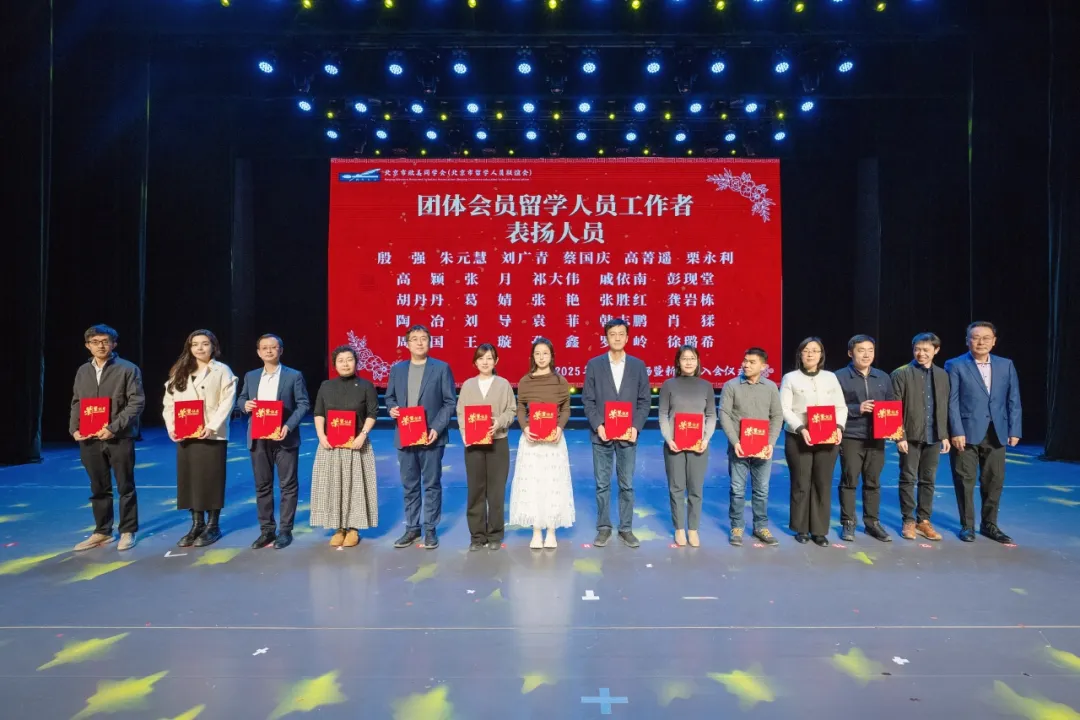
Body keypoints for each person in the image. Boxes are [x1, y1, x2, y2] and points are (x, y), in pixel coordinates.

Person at [70, 324, 145, 552]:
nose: (100, 346)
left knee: (125, 485)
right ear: (87, 346)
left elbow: (136, 403)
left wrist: (113, 428)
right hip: (90, 438)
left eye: (105, 341)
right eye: (95, 342)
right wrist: (74, 429)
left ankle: (128, 530)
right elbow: (77, 402)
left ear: (114, 344)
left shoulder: (128, 369)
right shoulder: (83, 371)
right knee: (98, 486)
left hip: (119, 436)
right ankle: (102, 531)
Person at [945, 321, 1022, 544]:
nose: (981, 342)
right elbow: (952, 401)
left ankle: (989, 525)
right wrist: (956, 431)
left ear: (994, 341)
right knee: (964, 481)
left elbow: (1013, 399)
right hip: (966, 433)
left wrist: (1014, 429)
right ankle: (967, 526)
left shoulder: (1006, 365)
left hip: (997, 432)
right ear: (967, 340)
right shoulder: (955, 365)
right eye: (975, 337)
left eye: (986, 338)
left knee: (994, 481)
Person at [163, 329, 237, 547]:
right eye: (195, 344)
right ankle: (196, 524)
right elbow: (169, 403)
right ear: (189, 347)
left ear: (213, 346)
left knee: (211, 479)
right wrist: (172, 427)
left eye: (205, 343)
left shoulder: (222, 370)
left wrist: (212, 426)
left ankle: (213, 526)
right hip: (186, 434)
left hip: (211, 435)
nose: (200, 348)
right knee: (190, 479)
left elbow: (227, 401)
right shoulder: (180, 371)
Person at [236, 334, 311, 550]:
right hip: (259, 438)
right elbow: (241, 398)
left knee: (288, 485)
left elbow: (303, 404)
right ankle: (266, 530)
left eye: (273, 347)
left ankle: (285, 531)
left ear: (281, 350)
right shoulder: (251, 376)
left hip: (284, 436)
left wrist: (288, 426)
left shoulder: (294, 376)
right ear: (258, 352)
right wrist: (244, 405)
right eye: (264, 348)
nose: (269, 351)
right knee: (262, 485)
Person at [385, 324, 456, 550]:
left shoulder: (441, 368)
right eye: (414, 338)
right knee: (410, 484)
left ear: (429, 342)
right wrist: (392, 409)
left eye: (423, 338)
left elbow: (449, 402)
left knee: (431, 484)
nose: (419, 342)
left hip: (430, 436)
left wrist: (436, 427)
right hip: (405, 435)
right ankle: (412, 528)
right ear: (407, 344)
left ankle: (430, 529)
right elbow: (389, 397)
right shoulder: (397, 369)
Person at [581, 318, 651, 549]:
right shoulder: (594, 365)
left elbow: (644, 401)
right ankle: (603, 528)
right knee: (602, 484)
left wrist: (635, 427)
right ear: (606, 338)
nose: (617, 338)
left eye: (621, 334)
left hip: (628, 435)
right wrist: (598, 425)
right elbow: (588, 400)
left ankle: (626, 529)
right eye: (613, 334)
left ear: (627, 338)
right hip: (601, 435)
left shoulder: (638, 366)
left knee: (626, 484)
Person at [780, 337, 847, 547]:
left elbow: (841, 407)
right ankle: (801, 528)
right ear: (800, 354)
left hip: (827, 437)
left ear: (821, 355)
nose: (810, 354)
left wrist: (839, 427)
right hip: (798, 437)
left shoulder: (830, 377)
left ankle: (819, 530)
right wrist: (800, 428)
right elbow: (784, 408)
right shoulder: (790, 378)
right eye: (806, 350)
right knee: (801, 482)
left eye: (815, 350)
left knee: (822, 483)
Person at [508, 337, 575, 549]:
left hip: (554, 440)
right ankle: (536, 531)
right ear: (533, 357)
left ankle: (551, 530)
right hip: (532, 440)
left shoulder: (560, 381)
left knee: (552, 483)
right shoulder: (525, 381)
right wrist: (525, 427)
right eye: (537, 354)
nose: (541, 357)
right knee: (534, 484)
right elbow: (520, 407)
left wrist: (559, 427)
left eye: (545, 353)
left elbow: (566, 408)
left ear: (551, 356)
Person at [310, 345, 379, 547]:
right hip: (331, 445)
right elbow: (319, 413)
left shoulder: (366, 386)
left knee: (356, 487)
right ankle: (339, 527)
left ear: (356, 362)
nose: (345, 364)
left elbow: (372, 413)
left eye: (349, 359)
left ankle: (354, 528)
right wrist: (321, 435)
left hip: (357, 444)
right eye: (341, 360)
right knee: (333, 485)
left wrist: (363, 435)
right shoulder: (326, 386)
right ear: (334, 364)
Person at [719, 347, 784, 548]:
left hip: (763, 448)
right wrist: (735, 442)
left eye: (752, 362)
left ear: (763, 366)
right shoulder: (731, 385)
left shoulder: (771, 387)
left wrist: (771, 443)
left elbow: (777, 416)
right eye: (745, 361)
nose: (746, 365)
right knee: (737, 489)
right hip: (739, 447)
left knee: (761, 490)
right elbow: (724, 414)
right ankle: (737, 526)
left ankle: (760, 526)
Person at [835, 335, 896, 543]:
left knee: (873, 481)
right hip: (851, 435)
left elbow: (891, 404)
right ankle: (848, 522)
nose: (866, 354)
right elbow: (833, 407)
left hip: (877, 437)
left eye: (870, 350)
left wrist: (893, 428)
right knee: (849, 480)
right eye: (861, 350)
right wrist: (857, 409)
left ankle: (872, 523)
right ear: (850, 353)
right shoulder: (839, 377)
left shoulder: (883, 377)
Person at [456, 344, 517, 551]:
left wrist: (498, 422)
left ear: (496, 361)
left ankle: (495, 534)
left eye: (489, 358)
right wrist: (466, 434)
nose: (485, 362)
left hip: (498, 442)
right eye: (481, 358)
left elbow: (511, 410)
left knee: (496, 491)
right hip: (474, 444)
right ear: (475, 362)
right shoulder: (468, 385)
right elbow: (461, 413)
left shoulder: (503, 384)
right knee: (476, 490)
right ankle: (477, 536)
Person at [891, 332, 950, 541]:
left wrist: (944, 434)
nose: (921, 353)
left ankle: (924, 520)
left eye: (926, 349)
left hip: (933, 435)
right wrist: (899, 436)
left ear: (936, 350)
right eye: (917, 349)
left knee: (928, 479)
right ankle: (908, 520)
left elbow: (944, 405)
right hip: (910, 435)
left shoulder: (942, 375)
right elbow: (894, 407)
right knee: (908, 477)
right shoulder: (901, 374)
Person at [658, 345, 716, 548]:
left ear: (698, 361)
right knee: (676, 488)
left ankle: (693, 529)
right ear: (678, 362)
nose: (689, 362)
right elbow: (663, 414)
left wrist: (706, 439)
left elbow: (711, 415)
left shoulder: (706, 386)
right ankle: (679, 529)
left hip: (699, 445)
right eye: (684, 358)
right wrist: (669, 439)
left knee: (695, 488)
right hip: (674, 444)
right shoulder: (668, 385)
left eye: (692, 358)